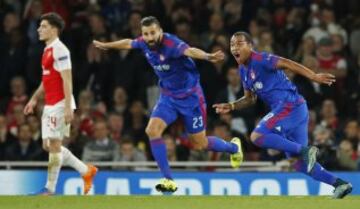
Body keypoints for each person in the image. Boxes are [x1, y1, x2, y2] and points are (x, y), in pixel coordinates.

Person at [93, 16, 243, 193]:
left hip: (191, 99)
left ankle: (233, 147)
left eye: (153, 33)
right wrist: (107, 45)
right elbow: (129, 43)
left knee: (200, 144)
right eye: (146, 34)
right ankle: (168, 179)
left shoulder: (171, 43)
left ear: (160, 31)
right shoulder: (144, 43)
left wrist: (208, 56)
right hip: (168, 98)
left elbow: (190, 50)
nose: (149, 37)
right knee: (152, 130)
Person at [213, 31, 352, 199]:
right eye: (232, 44)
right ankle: (340, 184)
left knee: (257, 136)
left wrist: (313, 76)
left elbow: (287, 63)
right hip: (295, 109)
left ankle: (305, 150)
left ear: (250, 46)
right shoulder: (243, 70)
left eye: (239, 43)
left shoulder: (261, 59)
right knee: (299, 164)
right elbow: (250, 99)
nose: (235, 47)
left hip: (289, 106)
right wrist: (232, 105)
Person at [23, 12, 97, 195]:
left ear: (54, 29)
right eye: (40, 26)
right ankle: (86, 170)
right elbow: (46, 80)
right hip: (49, 103)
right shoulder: (47, 49)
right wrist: (33, 98)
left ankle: (49, 188)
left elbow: (67, 79)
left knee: (54, 145)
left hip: (59, 103)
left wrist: (66, 106)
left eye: (44, 26)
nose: (39, 29)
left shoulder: (60, 49)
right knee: (48, 146)